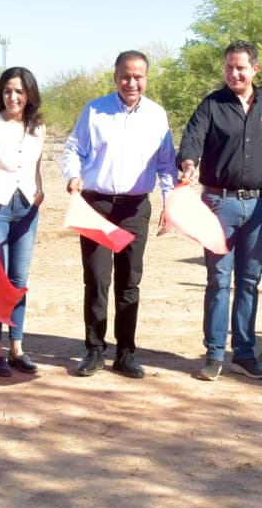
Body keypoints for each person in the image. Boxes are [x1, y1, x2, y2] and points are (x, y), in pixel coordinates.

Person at [178, 40, 262, 382]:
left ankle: (244, 354)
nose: (234, 73)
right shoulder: (211, 104)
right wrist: (189, 163)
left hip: (259, 206)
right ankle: (214, 354)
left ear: (255, 69)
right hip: (218, 205)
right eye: (229, 67)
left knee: (249, 281)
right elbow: (192, 139)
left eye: (240, 67)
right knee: (218, 280)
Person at [61, 50, 177, 380]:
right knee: (97, 279)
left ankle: (126, 353)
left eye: (138, 76)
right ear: (115, 77)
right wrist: (72, 176)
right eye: (125, 76)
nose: (131, 82)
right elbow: (73, 149)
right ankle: (95, 349)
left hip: (135, 208)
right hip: (96, 206)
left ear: (146, 78)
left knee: (129, 282)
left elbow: (167, 164)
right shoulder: (94, 110)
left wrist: (169, 202)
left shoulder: (157, 116)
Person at [0, 66, 45, 377]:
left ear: (29, 94)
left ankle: (17, 348)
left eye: (19, 91)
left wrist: (40, 190)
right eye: (7, 91)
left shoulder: (38, 127)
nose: (12, 97)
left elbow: (35, 167)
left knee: (18, 280)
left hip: (26, 209)